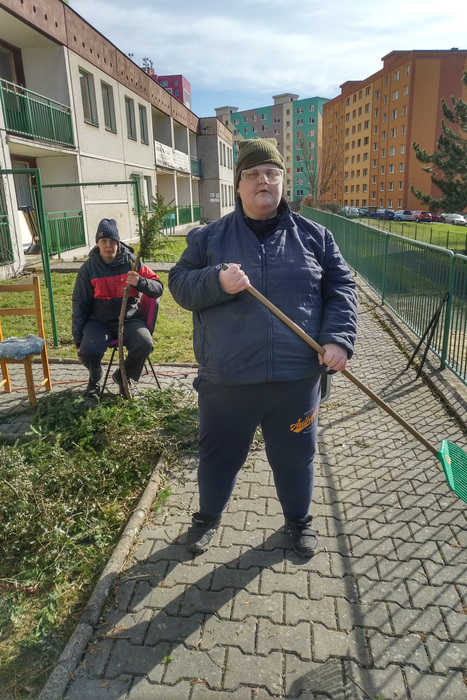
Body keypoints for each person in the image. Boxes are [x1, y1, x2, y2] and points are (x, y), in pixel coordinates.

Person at [168, 138, 357, 557]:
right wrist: (216, 281)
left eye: (272, 173)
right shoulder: (209, 238)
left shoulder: (316, 236)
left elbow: (342, 287)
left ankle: (298, 521)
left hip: (296, 381)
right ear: (238, 185)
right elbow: (179, 284)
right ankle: (207, 518)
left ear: (283, 181)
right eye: (253, 174)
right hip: (228, 380)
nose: (263, 181)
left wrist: (338, 338)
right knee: (218, 459)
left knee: (296, 458)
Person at [72, 218, 163, 397]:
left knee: (145, 344)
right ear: (97, 243)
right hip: (99, 322)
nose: (108, 246)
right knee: (88, 351)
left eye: (112, 241)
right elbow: (79, 305)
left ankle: (122, 376)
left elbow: (158, 287)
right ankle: (95, 377)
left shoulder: (131, 262)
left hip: (130, 319)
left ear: (118, 242)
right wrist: (78, 341)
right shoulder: (88, 269)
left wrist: (140, 281)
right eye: (104, 241)